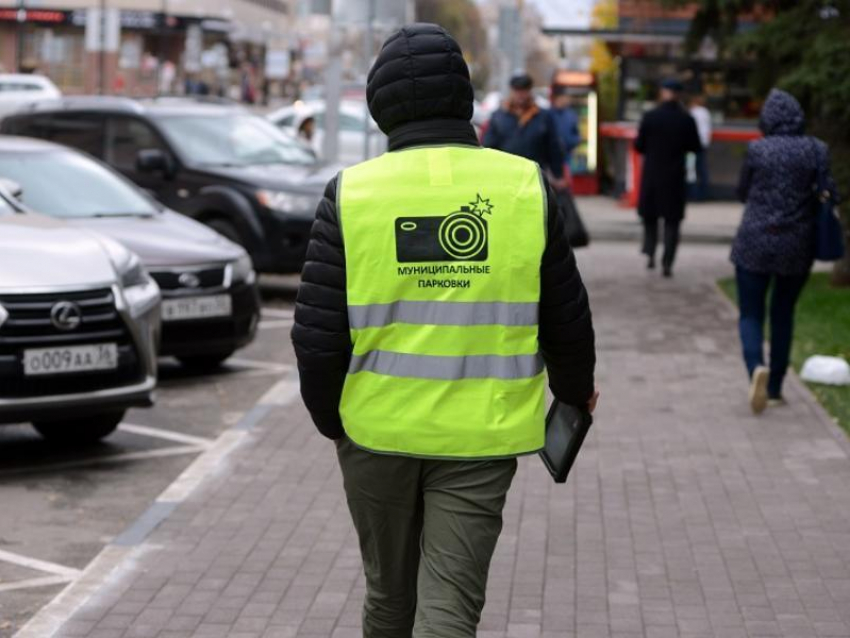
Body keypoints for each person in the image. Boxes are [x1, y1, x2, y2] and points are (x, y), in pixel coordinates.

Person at [292, 23, 597, 638]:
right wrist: (573, 393)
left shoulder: (351, 194)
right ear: (465, 99)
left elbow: (317, 337)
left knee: (387, 598)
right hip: (480, 439)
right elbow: (565, 317)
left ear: (381, 106)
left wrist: (336, 423)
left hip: (374, 433)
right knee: (450, 607)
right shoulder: (522, 186)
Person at [731, 88, 838, 414]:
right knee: (783, 313)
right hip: (797, 243)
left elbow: (741, 192)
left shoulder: (757, 149)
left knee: (750, 313)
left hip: (754, 241)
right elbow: (830, 192)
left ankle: (755, 369)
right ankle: (775, 387)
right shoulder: (816, 149)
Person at [635, 78, 703, 277]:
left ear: (663, 93)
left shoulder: (650, 116)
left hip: (653, 175)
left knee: (650, 216)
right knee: (672, 221)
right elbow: (696, 147)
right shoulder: (686, 119)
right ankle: (668, 262)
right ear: (679, 94)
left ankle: (650, 253)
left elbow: (639, 146)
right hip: (675, 177)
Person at [483, 72, 566, 187]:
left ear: (530, 91)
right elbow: (488, 147)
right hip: (505, 178)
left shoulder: (544, 116)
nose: (521, 94)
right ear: (511, 91)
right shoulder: (498, 116)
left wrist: (558, 175)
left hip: (534, 178)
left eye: (524, 90)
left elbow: (553, 148)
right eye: (517, 90)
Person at [551, 85, 583, 181]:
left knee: (566, 180)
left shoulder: (571, 115)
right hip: (552, 155)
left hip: (567, 155)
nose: (565, 100)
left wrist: (572, 142)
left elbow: (577, 134)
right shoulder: (548, 115)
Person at [689, 93, 713, 201]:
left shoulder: (693, 112)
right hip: (704, 143)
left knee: (691, 169)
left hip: (693, 143)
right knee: (702, 169)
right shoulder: (706, 112)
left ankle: (693, 193)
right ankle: (703, 193)